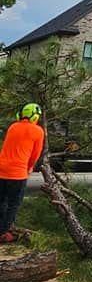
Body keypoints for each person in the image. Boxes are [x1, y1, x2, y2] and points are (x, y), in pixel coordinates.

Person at [0, 103, 44, 243]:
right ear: (35, 116)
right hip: (18, 173)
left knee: (1, 201)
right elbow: (35, 155)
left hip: (1, 170)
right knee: (14, 203)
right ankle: (3, 233)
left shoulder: (13, 127)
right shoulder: (38, 131)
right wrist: (29, 168)